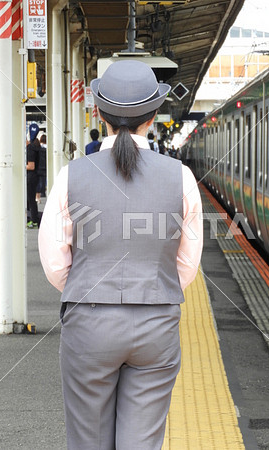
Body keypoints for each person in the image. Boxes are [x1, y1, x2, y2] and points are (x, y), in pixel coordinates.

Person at [38, 60, 203, 450]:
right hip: (156, 325)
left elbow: (55, 261)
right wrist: (152, 287)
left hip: (89, 323)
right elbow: (186, 264)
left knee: (88, 441)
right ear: (153, 115)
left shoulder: (71, 175)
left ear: (99, 113)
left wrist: (89, 288)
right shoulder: (180, 177)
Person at [26, 123, 40, 228]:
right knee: (31, 198)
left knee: (30, 199)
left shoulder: (30, 148)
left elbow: (31, 166)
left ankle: (33, 220)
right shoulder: (36, 146)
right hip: (35, 176)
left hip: (30, 176)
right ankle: (33, 219)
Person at [36, 133, 47, 203]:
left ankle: (38, 196)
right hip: (45, 167)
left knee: (38, 183)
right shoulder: (47, 148)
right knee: (43, 181)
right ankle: (43, 192)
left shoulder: (38, 148)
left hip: (38, 167)